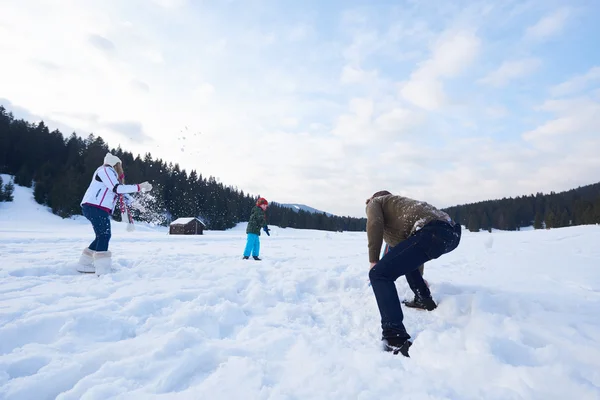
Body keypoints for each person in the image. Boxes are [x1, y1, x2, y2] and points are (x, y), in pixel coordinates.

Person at [366, 190, 461, 357]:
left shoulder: (376, 202)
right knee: (399, 259)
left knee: (378, 275)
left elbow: (374, 223)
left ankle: (395, 338)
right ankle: (423, 299)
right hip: (452, 233)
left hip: (432, 231)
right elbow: (409, 255)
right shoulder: (402, 210)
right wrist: (420, 279)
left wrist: (374, 260)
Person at [77, 152, 153, 275]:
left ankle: (84, 264)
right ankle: (102, 270)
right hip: (95, 207)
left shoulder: (109, 174)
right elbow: (117, 188)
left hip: (96, 208)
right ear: (115, 164)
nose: (121, 170)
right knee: (104, 235)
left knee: (101, 236)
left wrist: (136, 204)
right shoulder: (105, 170)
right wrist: (139, 187)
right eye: (120, 166)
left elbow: (122, 193)